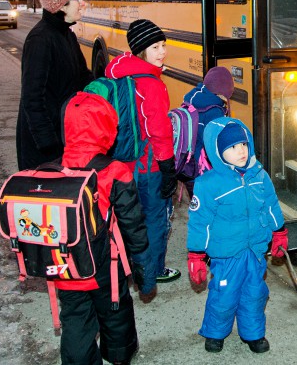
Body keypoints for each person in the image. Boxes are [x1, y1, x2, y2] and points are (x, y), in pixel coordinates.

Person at [56, 91, 149, 365]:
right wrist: (142, 263)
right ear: (106, 127)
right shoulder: (114, 170)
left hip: (66, 263)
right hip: (105, 265)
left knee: (74, 318)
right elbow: (132, 223)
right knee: (115, 312)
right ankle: (119, 358)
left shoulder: (54, 169)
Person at [186, 117, 288, 354]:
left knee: (255, 294)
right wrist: (196, 255)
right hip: (226, 254)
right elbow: (199, 223)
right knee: (223, 296)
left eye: (243, 144)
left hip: (254, 251)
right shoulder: (208, 184)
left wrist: (279, 232)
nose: (241, 151)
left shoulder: (259, 175)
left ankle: (253, 334)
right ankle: (215, 332)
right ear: (218, 152)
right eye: (232, 147)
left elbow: (271, 205)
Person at [103, 19, 180, 302]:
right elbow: (159, 130)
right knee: (155, 219)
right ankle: (153, 270)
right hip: (149, 166)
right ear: (140, 50)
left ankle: (127, 267)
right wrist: (168, 166)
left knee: (127, 219)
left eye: (163, 46)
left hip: (121, 165)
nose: (162, 52)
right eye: (155, 47)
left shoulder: (118, 73)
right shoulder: (151, 84)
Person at [16, 0, 93, 170]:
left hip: (63, 134)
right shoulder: (40, 39)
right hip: (43, 143)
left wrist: (113, 85)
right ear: (62, 6)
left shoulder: (68, 35)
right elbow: (32, 96)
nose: (82, 3)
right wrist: (47, 141)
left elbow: (83, 78)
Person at [178, 65, 235, 196]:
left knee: (198, 207)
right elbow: (216, 146)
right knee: (208, 208)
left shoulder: (192, 99)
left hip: (187, 166)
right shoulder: (215, 112)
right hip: (202, 172)